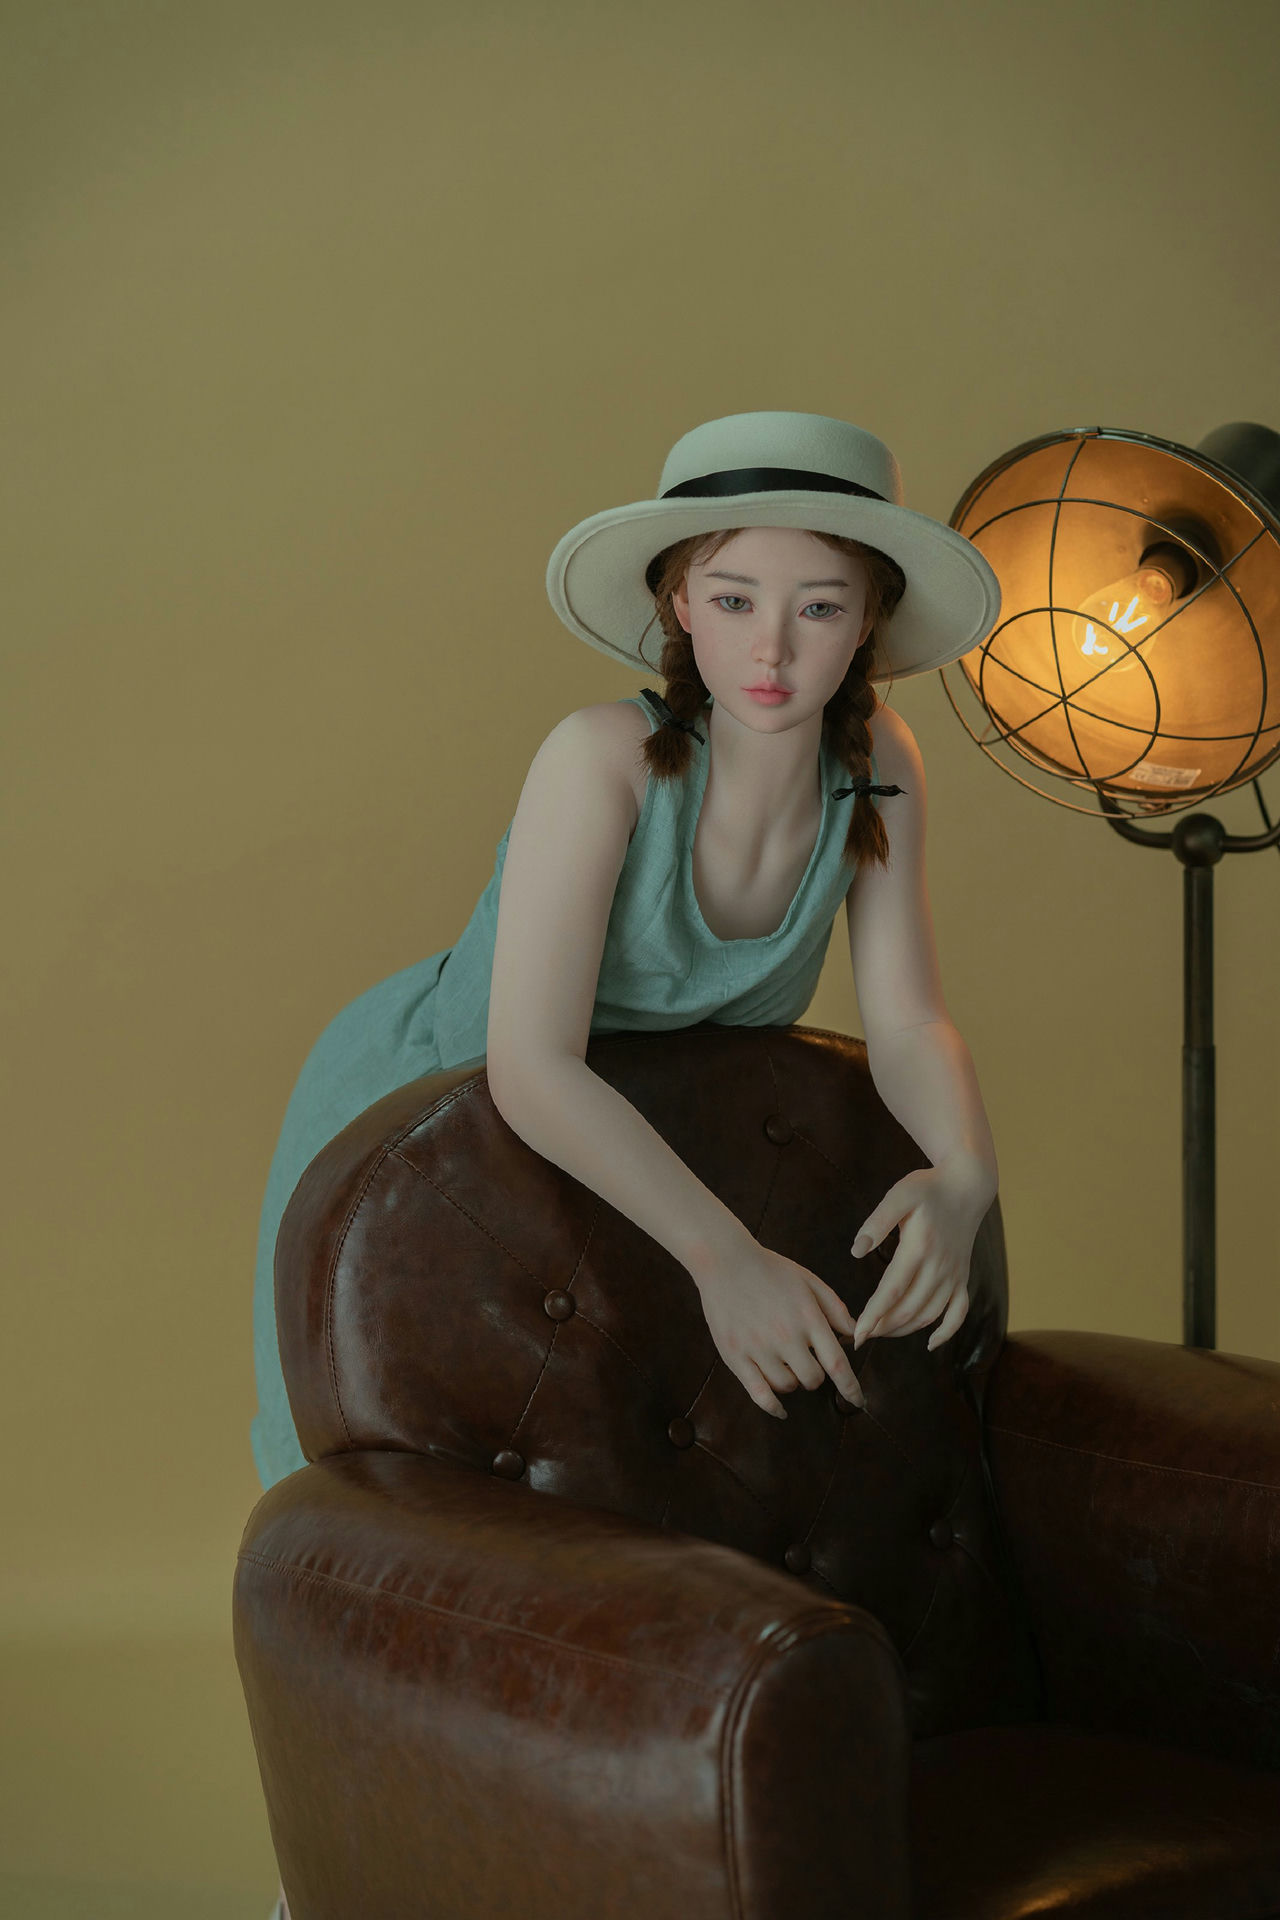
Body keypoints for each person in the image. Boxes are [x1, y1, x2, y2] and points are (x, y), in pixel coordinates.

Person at [250, 407, 1004, 1500]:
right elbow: (532, 1066)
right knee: (364, 1449)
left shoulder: (880, 762)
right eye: (734, 600)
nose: (772, 649)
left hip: (631, 1140)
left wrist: (966, 1176)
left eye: (819, 607)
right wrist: (724, 1257)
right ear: (680, 603)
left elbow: (907, 1019)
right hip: (431, 1106)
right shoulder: (599, 760)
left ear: (867, 624)